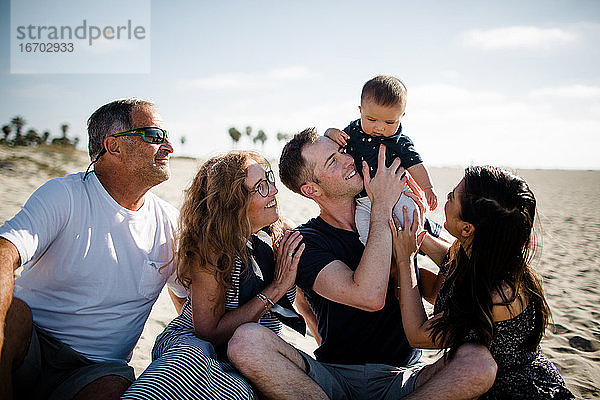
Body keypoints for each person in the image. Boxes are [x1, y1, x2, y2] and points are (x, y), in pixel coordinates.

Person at [227, 129, 498, 400]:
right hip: (335, 379)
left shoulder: (400, 208)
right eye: (332, 161)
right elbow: (368, 296)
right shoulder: (308, 241)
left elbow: (464, 267)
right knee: (246, 341)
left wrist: (415, 233)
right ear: (312, 189)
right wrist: (380, 206)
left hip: (405, 377)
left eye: (342, 153)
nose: (347, 160)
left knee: (478, 362)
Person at [0, 98, 187, 400]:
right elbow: (5, 251)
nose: (168, 146)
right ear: (113, 146)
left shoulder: (170, 222)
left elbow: (187, 299)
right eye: (154, 136)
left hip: (96, 371)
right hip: (28, 345)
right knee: (13, 314)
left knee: (116, 389)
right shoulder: (65, 195)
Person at [122, 151, 310, 400]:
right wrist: (275, 289)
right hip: (200, 349)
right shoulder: (212, 249)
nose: (274, 191)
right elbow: (207, 333)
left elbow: (308, 304)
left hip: (257, 351)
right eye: (260, 187)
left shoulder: (282, 234)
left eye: (269, 180)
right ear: (233, 202)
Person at [391, 165, 574, 399]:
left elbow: (417, 335)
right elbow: (446, 263)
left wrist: (405, 261)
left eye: (451, 198)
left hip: (507, 390)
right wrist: (412, 231)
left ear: (467, 228)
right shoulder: (484, 256)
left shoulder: (500, 295)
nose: (446, 200)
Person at [324, 75, 438, 244]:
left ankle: (413, 247)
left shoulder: (399, 141)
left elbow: (416, 165)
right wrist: (330, 132)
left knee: (410, 221)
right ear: (360, 110)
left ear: (401, 116)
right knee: (365, 235)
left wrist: (427, 188)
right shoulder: (354, 131)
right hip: (364, 200)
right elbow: (335, 139)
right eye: (371, 119)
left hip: (397, 195)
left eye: (390, 122)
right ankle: (382, 258)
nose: (380, 127)